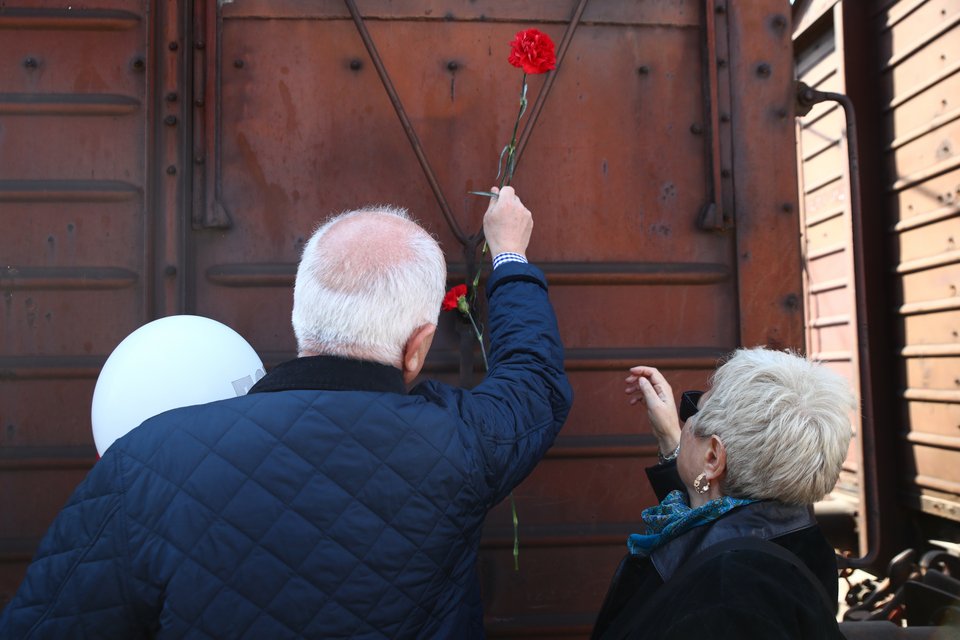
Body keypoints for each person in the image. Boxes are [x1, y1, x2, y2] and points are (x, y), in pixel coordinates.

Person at [0, 187, 573, 639]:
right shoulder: (461, 445)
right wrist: (508, 254)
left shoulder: (146, 459)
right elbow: (533, 383)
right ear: (418, 346)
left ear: (301, 316)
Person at [591, 348, 855, 640]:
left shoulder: (726, 595)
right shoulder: (800, 540)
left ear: (714, 456)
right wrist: (670, 439)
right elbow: (711, 523)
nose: (685, 421)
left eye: (694, 410)